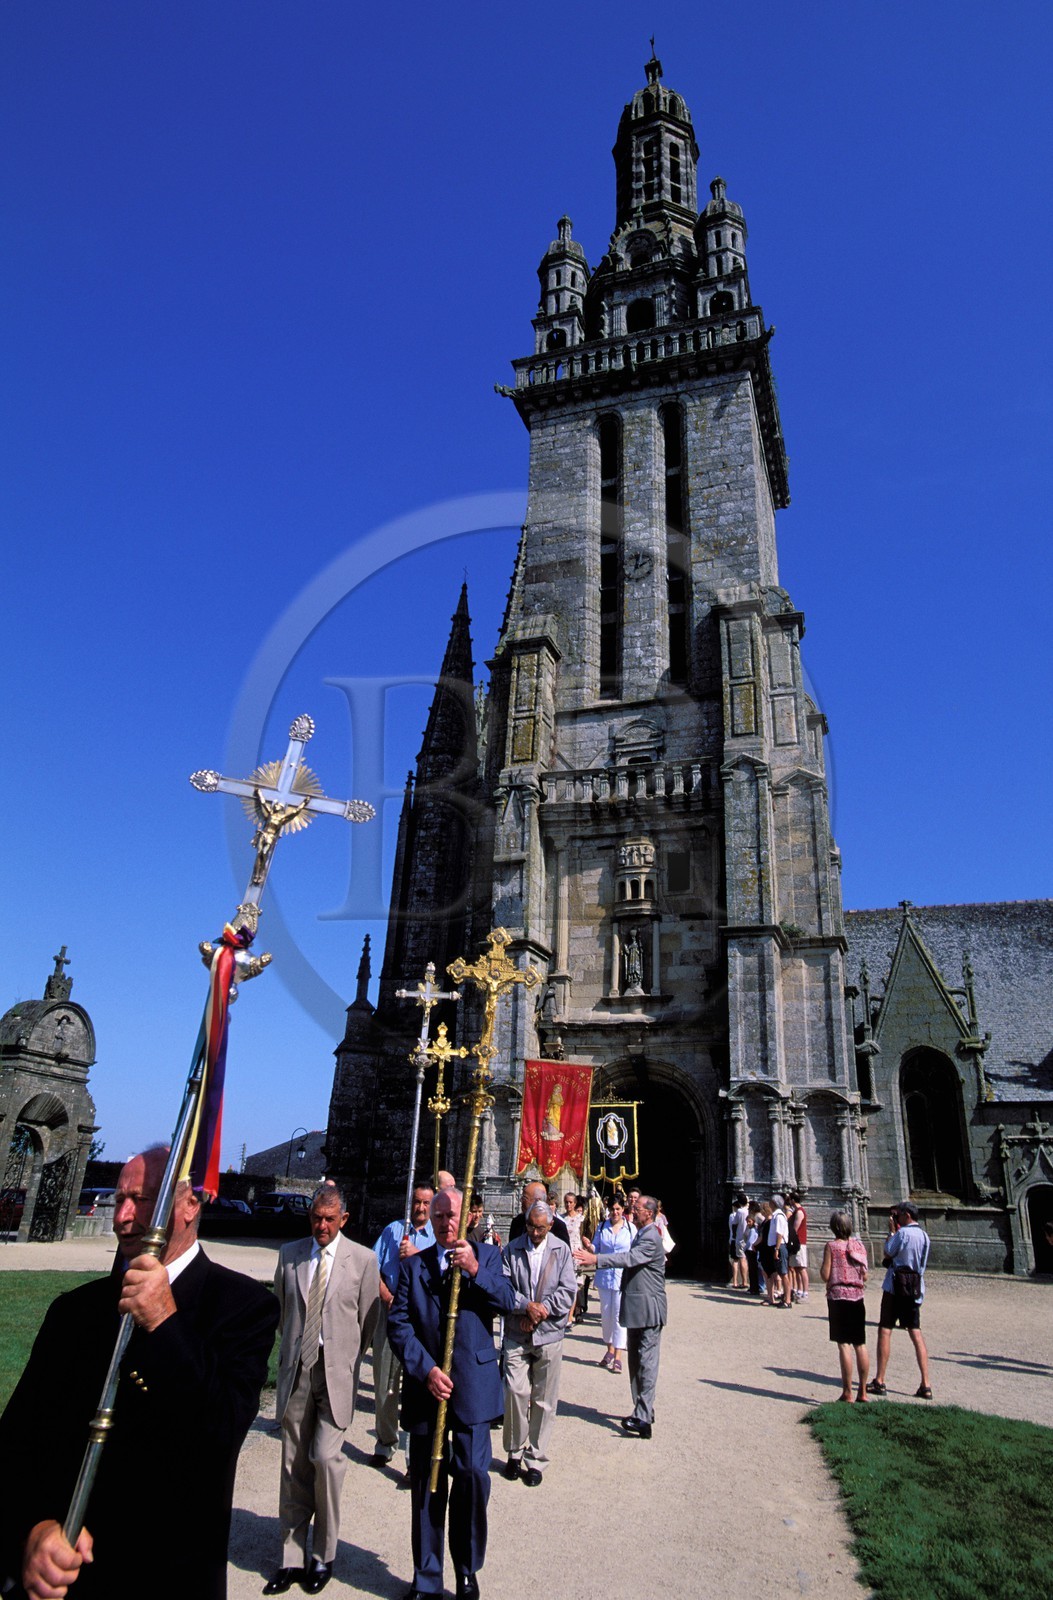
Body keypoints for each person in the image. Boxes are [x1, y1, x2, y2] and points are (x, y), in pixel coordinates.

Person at [0, 1145, 279, 1600]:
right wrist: (30, 1531)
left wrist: (165, 1324)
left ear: (192, 1203)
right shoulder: (74, 1311)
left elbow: (219, 1434)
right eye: (119, 1199)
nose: (122, 1217)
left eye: (143, 1201)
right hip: (60, 1582)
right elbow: (16, 1446)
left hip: (162, 1577)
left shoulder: (244, 1307)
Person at [388, 1187, 531, 1600]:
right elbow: (398, 1325)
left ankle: (467, 1570)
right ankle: (427, 1577)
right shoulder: (413, 1267)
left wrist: (473, 1270)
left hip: (472, 1385)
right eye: (439, 1217)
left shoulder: (486, 1256)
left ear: (467, 1217)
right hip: (427, 1387)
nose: (446, 1222)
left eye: (453, 1215)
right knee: (427, 1486)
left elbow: (507, 1300)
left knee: (470, 1476)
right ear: (430, 1222)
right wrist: (426, 1369)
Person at [265, 1182, 381, 1596]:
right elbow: (283, 1311)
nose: (322, 1226)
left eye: (330, 1219)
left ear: (343, 1219)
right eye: (316, 1217)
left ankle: (323, 1554)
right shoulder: (290, 1255)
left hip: (336, 1375)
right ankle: (291, 1556)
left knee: (326, 1458)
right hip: (299, 1371)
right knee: (293, 1461)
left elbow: (368, 1321)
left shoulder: (363, 1260)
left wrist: (345, 1360)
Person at [575, 1194, 667, 1439]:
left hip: (648, 1309)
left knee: (646, 1362)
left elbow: (628, 1259)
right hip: (637, 1308)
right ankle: (644, 1409)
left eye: (635, 1208)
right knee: (635, 1361)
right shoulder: (640, 1233)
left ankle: (643, 1417)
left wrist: (596, 1259)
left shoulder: (651, 1236)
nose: (631, 1211)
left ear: (649, 1212)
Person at [500, 1201, 577, 1485]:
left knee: (544, 1399)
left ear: (550, 1224)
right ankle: (514, 1452)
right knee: (514, 1392)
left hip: (549, 1333)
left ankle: (535, 1459)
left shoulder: (561, 1249)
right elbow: (504, 1286)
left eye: (541, 1228)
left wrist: (540, 1311)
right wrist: (525, 1307)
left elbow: (568, 1290)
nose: (535, 1232)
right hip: (517, 1333)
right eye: (531, 1226)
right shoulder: (512, 1249)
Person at [371, 1184, 435, 1471]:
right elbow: (372, 1268)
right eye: (416, 1202)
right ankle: (385, 1443)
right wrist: (387, 1296)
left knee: (417, 1389)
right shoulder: (392, 1231)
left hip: (420, 1319)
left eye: (425, 1203)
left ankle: (414, 1458)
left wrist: (416, 1255)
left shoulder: (438, 1237)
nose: (420, 1208)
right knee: (385, 1385)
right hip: (391, 1312)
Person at [867, 1202, 932, 1399]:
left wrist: (891, 1232)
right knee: (916, 1333)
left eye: (899, 1215)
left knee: (885, 1330)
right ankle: (926, 1384)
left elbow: (888, 1251)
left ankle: (880, 1380)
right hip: (913, 1288)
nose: (897, 1218)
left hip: (895, 1287)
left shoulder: (902, 1234)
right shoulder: (924, 1236)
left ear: (907, 1216)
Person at [820, 1211, 870, 1402]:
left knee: (844, 1345)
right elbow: (865, 1275)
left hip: (839, 1297)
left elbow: (825, 1275)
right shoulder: (858, 1246)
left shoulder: (832, 1247)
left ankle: (848, 1392)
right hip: (857, 1297)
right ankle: (863, 1392)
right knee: (860, 1344)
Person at [591, 1195, 636, 1371]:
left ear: (623, 1210)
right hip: (604, 1277)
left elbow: (634, 1253)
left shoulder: (631, 1229)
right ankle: (609, 1349)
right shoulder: (602, 1227)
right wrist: (589, 1247)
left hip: (622, 1278)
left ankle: (618, 1355)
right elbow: (596, 1247)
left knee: (619, 1317)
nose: (615, 1212)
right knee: (606, 1315)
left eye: (618, 1209)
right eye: (612, 1209)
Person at [507, 1179, 571, 1247]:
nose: (521, 1201)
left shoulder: (558, 1226)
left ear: (537, 1200)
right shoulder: (517, 1222)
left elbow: (563, 1253)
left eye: (524, 1198)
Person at [766, 1194, 793, 1308]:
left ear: (774, 1203)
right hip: (777, 1246)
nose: (769, 1204)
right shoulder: (776, 1216)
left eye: (770, 1202)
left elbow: (779, 1234)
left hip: (780, 1246)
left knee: (784, 1274)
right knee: (781, 1274)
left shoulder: (779, 1216)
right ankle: (785, 1298)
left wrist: (776, 1249)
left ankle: (787, 1300)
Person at [787, 1191, 810, 1301]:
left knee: (801, 1268)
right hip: (796, 1242)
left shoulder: (800, 1212)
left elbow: (795, 1229)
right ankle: (799, 1290)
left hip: (799, 1242)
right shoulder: (797, 1211)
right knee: (796, 1268)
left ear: (792, 1200)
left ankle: (805, 1292)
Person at [728, 1190, 750, 1290]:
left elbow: (734, 1224)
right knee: (744, 1259)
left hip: (740, 1238)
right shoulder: (749, 1211)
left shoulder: (739, 1212)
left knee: (741, 1259)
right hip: (748, 1238)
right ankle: (745, 1281)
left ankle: (744, 1281)